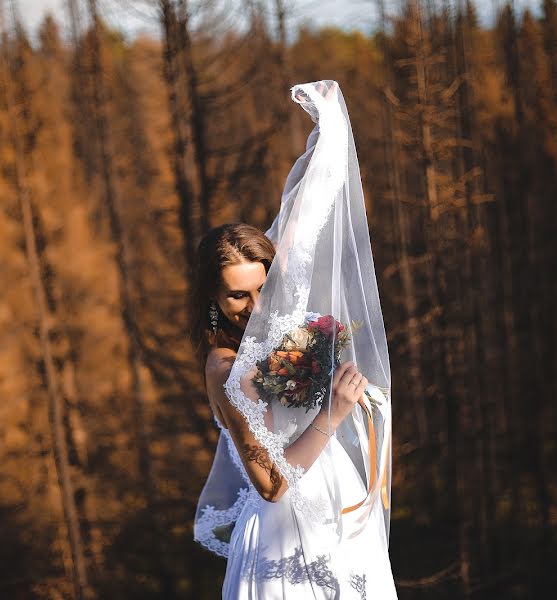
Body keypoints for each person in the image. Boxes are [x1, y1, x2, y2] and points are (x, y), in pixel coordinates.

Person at [191, 81, 397, 599]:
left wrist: (328, 135)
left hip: (340, 515)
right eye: (238, 297)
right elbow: (272, 484)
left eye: (265, 288)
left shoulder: (287, 329)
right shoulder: (222, 367)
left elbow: (305, 221)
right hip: (284, 540)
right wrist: (334, 410)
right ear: (212, 297)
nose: (256, 308)